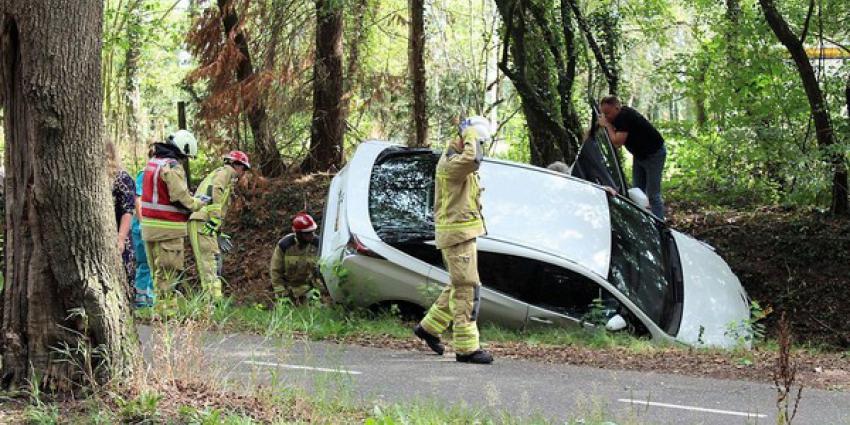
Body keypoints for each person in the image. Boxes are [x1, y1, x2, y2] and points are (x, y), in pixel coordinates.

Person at [413, 115, 494, 364]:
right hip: (457, 236)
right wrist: (470, 132)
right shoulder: (451, 163)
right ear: (466, 139)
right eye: (478, 142)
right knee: (467, 288)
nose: (480, 149)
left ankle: (428, 328)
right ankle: (467, 348)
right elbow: (472, 159)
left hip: (463, 234)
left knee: (459, 284)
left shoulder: (456, 160)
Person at [140, 130, 208, 298]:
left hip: (149, 228)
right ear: (182, 150)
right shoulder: (171, 166)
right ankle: (167, 317)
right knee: (168, 277)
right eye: (185, 157)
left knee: (158, 275)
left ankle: (160, 313)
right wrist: (198, 203)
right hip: (168, 230)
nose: (184, 162)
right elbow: (180, 197)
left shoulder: (153, 162)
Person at [188, 151, 250, 299]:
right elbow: (215, 190)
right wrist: (214, 219)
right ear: (237, 165)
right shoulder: (225, 172)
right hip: (202, 221)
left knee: (213, 261)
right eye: (244, 168)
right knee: (209, 262)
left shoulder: (223, 176)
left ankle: (214, 299)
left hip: (205, 222)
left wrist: (218, 231)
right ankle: (211, 302)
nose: (244, 172)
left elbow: (218, 204)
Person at [599, 96, 667, 219]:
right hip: (640, 155)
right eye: (603, 113)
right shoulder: (616, 117)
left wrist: (607, 125)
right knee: (637, 191)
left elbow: (617, 143)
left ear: (616, 107)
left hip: (654, 155)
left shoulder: (625, 117)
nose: (606, 116)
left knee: (653, 194)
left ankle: (660, 224)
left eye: (607, 113)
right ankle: (642, 220)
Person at [269, 212, 321, 305]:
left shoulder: (318, 244)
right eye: (308, 233)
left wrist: (320, 290)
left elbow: (323, 270)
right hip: (287, 290)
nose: (312, 235)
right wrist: (281, 293)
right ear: (299, 234)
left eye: (313, 232)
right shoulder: (285, 245)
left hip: (309, 289)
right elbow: (275, 271)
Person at [106, 142, 137, 298]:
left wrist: (120, 239)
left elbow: (128, 211)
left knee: (123, 278)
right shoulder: (96, 178)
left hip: (120, 235)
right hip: (104, 235)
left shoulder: (122, 178)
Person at [132, 146, 154, 308]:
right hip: (142, 225)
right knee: (145, 262)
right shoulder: (145, 173)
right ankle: (142, 298)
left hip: (150, 224)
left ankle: (149, 297)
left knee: (152, 262)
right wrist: (142, 222)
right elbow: (137, 199)